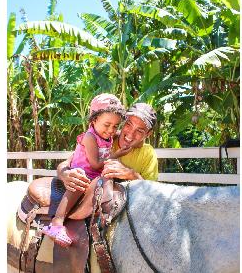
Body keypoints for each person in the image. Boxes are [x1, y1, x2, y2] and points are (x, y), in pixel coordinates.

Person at [42, 93, 130, 247]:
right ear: (94, 120)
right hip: (84, 172)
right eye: (107, 125)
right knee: (77, 187)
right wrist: (117, 154)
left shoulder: (106, 133)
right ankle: (56, 222)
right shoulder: (90, 137)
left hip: (95, 175)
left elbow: (114, 133)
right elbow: (95, 164)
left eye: (115, 126)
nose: (111, 130)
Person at [56, 102, 158, 194]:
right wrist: (65, 174)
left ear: (148, 134)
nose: (131, 134)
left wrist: (131, 174)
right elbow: (67, 162)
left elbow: (152, 191)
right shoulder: (104, 138)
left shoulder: (148, 153)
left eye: (139, 131)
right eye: (128, 124)